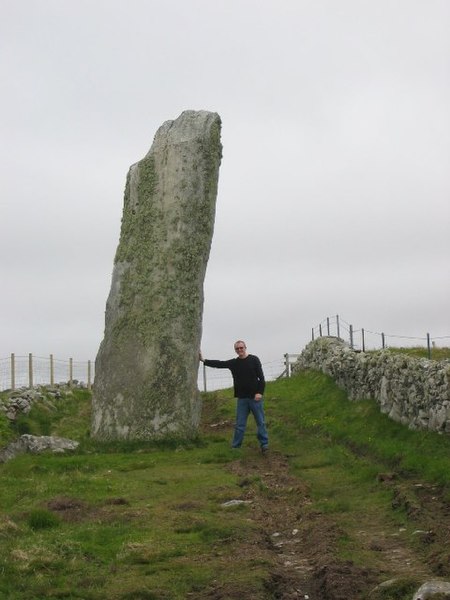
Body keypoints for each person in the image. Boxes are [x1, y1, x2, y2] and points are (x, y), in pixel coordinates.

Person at [199, 341, 268, 453]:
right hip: (242, 399)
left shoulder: (254, 359)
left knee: (260, 422)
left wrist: (260, 393)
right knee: (240, 424)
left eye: (241, 348)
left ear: (245, 347)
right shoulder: (234, 363)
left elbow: (262, 378)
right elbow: (220, 364)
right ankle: (236, 447)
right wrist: (204, 360)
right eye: (237, 348)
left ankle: (264, 444)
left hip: (255, 398)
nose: (239, 350)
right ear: (235, 350)